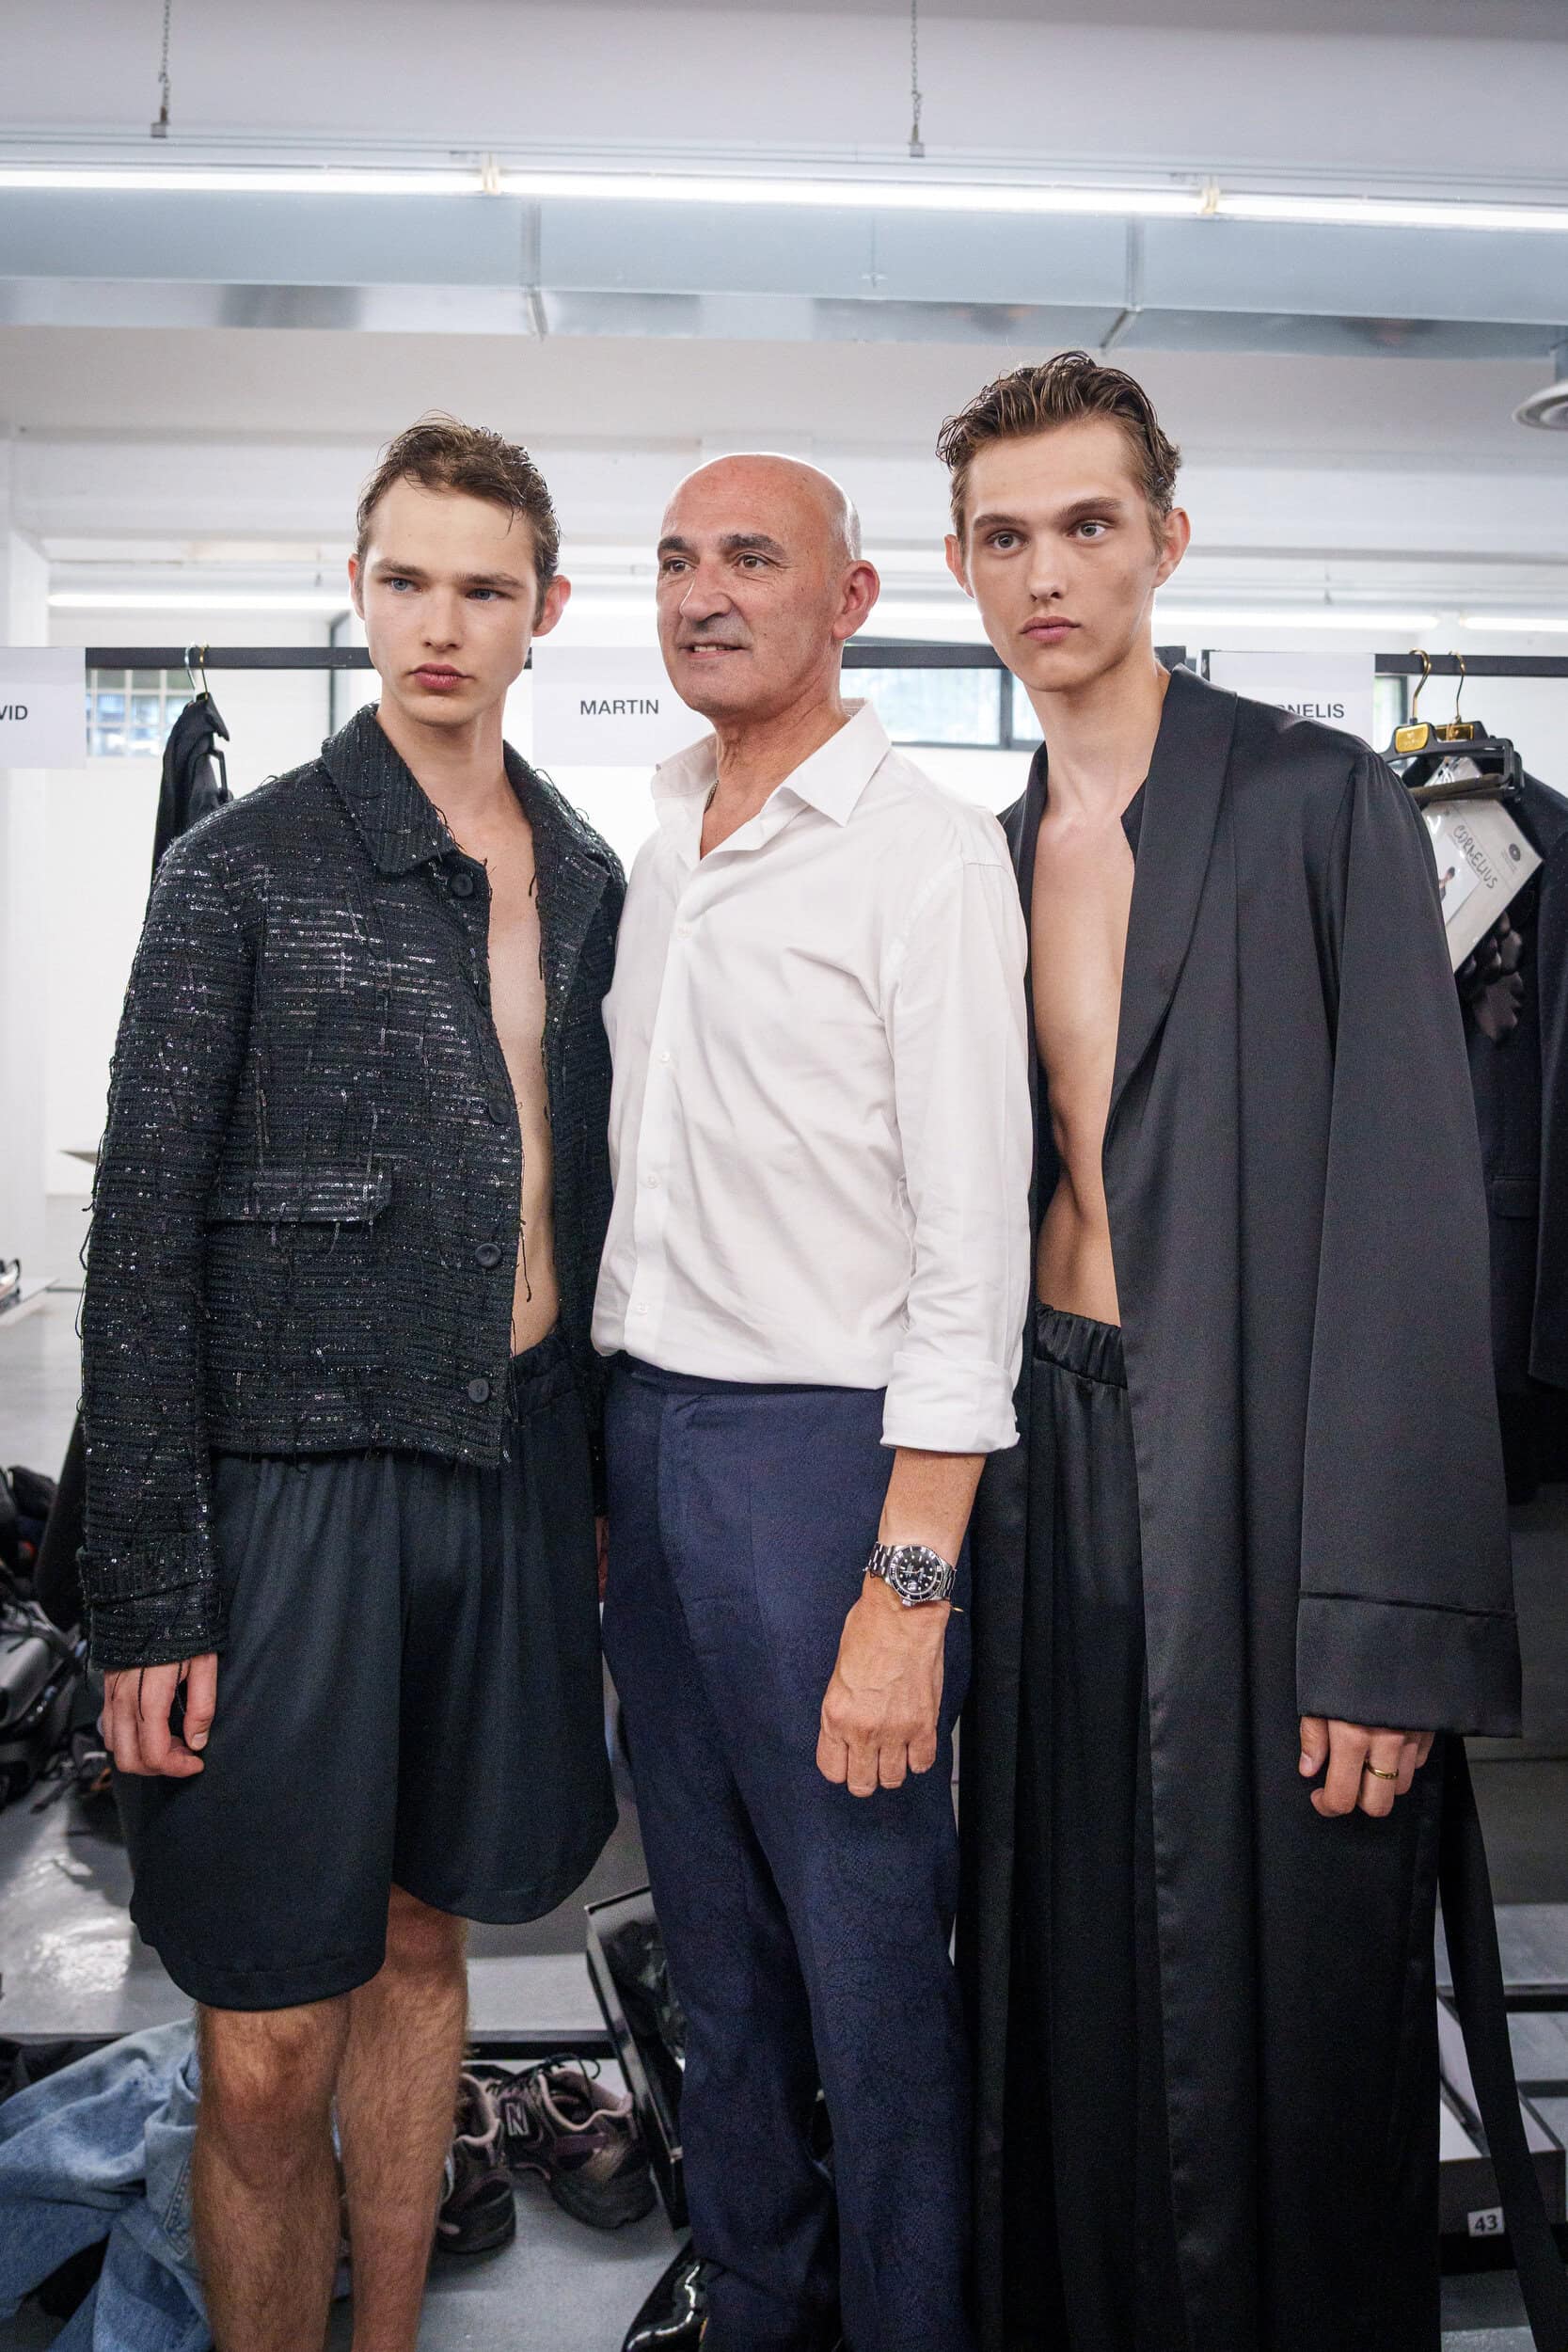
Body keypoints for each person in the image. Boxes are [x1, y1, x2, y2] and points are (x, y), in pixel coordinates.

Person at [939, 353, 1562, 2352]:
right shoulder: (982, 850)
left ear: (1166, 542)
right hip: (1045, 1457)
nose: (1047, 570)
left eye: (1087, 525)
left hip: (1270, 1479)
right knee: (1066, 1966)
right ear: (961, 569)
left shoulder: (1314, 799)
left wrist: (1389, 1627)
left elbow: (1412, 1215)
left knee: (1285, 1995)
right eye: (1006, 536)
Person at [80, 416, 625, 2352]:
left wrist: (593, 1503)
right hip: (291, 1487)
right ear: (358, 587)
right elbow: (138, 1235)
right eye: (407, 580)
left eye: (484, 587)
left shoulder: (586, 873)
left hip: (509, 1464)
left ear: (546, 609)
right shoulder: (241, 866)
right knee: (263, 2033)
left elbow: (588, 1200)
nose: (440, 624)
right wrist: (148, 1587)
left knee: (421, 1940)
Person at [595, 453, 1032, 2352]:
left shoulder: (923, 855)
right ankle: (762, 2299)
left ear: (851, 600)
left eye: (752, 558)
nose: (703, 593)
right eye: (675, 561)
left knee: (870, 1973)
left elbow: (971, 1249)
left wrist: (906, 1588)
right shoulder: (661, 841)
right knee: (714, 1954)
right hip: (651, 1439)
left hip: (825, 1468)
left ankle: (913, 2321)